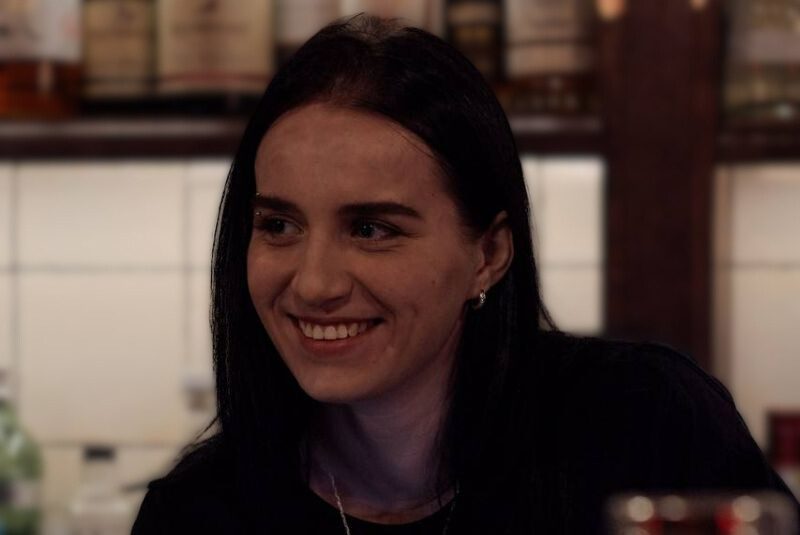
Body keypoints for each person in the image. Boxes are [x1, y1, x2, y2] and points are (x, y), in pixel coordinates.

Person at [131, 14, 800, 535]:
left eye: (371, 229)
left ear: (489, 253)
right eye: (279, 225)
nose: (313, 283)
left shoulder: (647, 424)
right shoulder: (198, 512)